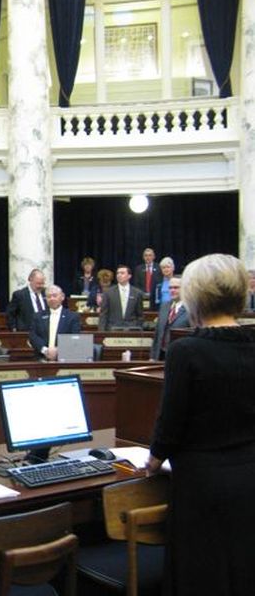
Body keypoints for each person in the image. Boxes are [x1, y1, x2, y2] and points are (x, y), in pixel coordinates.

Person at [146, 254, 255, 595]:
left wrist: (152, 461)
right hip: (250, 477)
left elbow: (171, 423)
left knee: (204, 575)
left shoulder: (186, 351)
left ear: (193, 296)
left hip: (202, 486)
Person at [28, 285, 81, 360]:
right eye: (49, 296)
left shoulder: (72, 317)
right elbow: (33, 336)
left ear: (62, 297)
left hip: (65, 358)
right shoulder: (38, 316)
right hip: (41, 358)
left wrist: (58, 350)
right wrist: (45, 351)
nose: (52, 299)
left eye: (54, 296)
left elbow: (75, 336)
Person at [149, 277, 189, 360]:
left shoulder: (190, 309)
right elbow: (157, 333)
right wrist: (152, 356)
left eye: (176, 288)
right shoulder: (164, 306)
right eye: (170, 288)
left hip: (180, 357)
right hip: (161, 355)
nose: (172, 290)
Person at [98, 264, 144, 330]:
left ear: (129, 276)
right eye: (118, 273)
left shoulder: (137, 293)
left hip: (131, 330)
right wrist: (101, 332)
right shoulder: (108, 293)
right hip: (112, 329)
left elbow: (140, 315)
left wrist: (138, 329)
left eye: (122, 273)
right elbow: (103, 315)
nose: (119, 275)